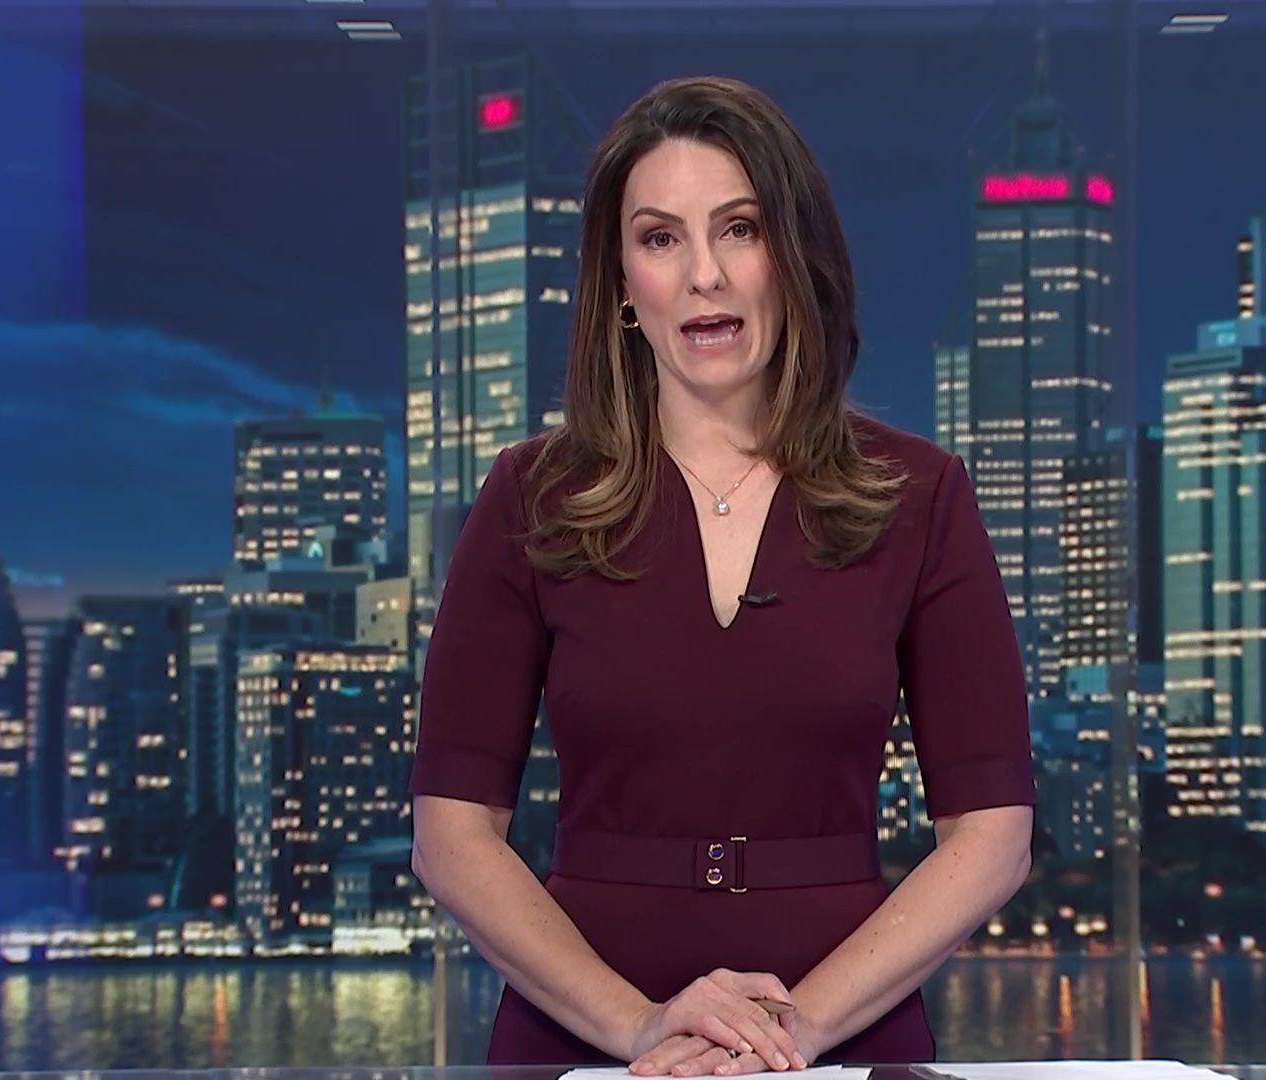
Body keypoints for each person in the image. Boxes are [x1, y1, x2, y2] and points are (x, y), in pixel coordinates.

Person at [408, 74, 1034, 1074]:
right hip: (583, 1035)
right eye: (660, 238)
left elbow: (992, 834)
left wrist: (793, 1030)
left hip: (844, 1029)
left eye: (739, 229)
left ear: (793, 254)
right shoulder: (532, 497)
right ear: (621, 283)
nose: (704, 274)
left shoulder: (920, 496)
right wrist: (635, 1026)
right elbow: (450, 834)